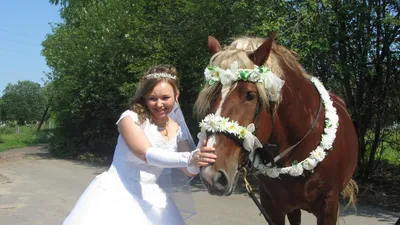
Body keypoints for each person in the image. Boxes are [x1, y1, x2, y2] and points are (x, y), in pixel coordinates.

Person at [62, 65, 216, 225]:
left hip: (152, 196)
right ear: (144, 97)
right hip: (117, 193)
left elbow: (189, 170)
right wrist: (190, 157)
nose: (159, 104)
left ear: (177, 95)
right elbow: (146, 154)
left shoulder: (178, 130)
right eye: (152, 98)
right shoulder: (129, 119)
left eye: (165, 97)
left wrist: (201, 150)